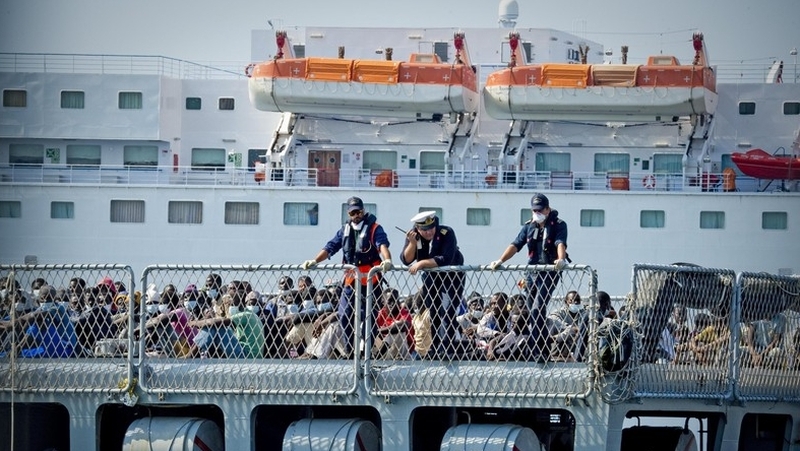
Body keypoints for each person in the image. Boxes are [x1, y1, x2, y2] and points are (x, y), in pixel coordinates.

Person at [301, 196, 393, 357]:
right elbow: (330, 247)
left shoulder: (374, 228)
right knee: (344, 314)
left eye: (358, 212)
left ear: (363, 211)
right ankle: (351, 350)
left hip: (372, 282)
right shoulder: (344, 230)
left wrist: (387, 260)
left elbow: (382, 245)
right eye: (352, 213)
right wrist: (314, 261)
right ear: (349, 214)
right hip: (351, 282)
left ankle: (367, 352)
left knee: (369, 318)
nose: (356, 215)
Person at [487, 193, 569, 361]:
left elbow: (560, 242)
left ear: (547, 209)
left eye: (540, 210)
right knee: (534, 312)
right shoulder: (529, 226)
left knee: (538, 308)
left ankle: (536, 349)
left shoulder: (559, 225)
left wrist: (560, 259)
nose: (537, 213)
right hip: (531, 273)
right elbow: (516, 244)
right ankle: (545, 349)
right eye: (534, 210)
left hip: (549, 271)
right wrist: (500, 260)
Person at [400, 210, 465, 358]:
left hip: (452, 278)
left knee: (448, 312)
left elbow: (445, 259)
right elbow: (406, 259)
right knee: (434, 312)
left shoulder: (446, 232)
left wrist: (422, 263)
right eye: (424, 230)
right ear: (418, 228)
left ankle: (448, 348)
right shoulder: (414, 236)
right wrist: (412, 243)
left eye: (431, 228)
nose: (429, 232)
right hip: (431, 278)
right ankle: (435, 348)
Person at [547, 290, 589, 362]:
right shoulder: (558, 313)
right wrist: (572, 330)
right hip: (561, 343)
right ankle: (556, 357)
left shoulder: (583, 313)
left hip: (577, 344)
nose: (575, 303)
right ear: (566, 302)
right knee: (563, 334)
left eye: (577, 300)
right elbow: (569, 329)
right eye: (572, 301)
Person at [372, 288, 412, 360]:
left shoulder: (404, 312)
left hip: (401, 353)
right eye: (390, 301)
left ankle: (377, 357)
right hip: (384, 351)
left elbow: (403, 326)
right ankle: (365, 354)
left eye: (395, 300)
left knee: (396, 327)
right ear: (383, 302)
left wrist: (380, 331)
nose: (393, 303)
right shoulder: (380, 314)